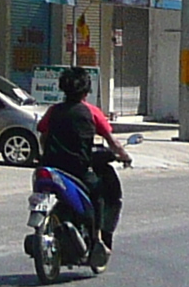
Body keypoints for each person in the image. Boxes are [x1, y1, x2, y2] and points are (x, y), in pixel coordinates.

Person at [36, 66, 130, 250]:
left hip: (51, 168)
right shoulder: (92, 112)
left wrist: (44, 154)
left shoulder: (53, 111)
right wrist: (125, 156)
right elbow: (113, 142)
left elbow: (43, 134)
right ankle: (97, 240)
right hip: (79, 170)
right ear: (86, 91)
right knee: (100, 196)